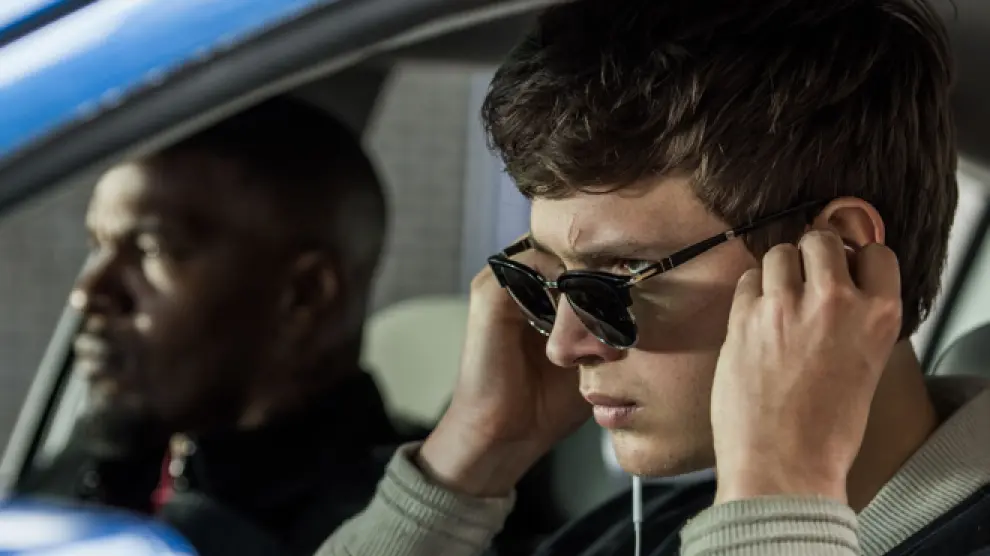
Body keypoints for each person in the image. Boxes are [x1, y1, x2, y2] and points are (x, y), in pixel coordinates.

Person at [315, 0, 990, 555]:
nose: (562, 345)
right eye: (550, 277)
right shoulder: (646, 532)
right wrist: (471, 459)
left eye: (623, 272)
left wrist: (777, 497)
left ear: (835, 256)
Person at [16, 97, 418, 556]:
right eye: (98, 245)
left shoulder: (401, 532)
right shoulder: (91, 469)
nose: (88, 292)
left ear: (304, 294)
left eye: (152, 249)